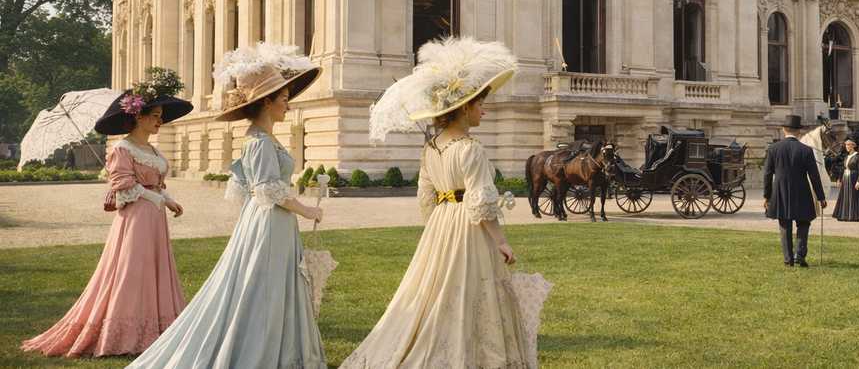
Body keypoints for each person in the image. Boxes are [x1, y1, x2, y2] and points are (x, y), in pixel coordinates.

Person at [342, 36, 545, 368]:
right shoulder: (470, 148)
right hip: (467, 225)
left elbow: (426, 197)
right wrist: (502, 241)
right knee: (471, 289)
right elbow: (481, 204)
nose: (485, 108)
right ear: (464, 107)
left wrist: (438, 228)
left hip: (441, 223)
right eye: (481, 102)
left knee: (435, 291)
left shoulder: (431, 148)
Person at [128, 44, 327, 369]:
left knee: (271, 286)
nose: (288, 107)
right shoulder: (259, 141)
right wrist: (307, 210)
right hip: (268, 223)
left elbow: (260, 186)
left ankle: (281, 349)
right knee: (262, 288)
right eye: (284, 99)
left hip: (271, 223)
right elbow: (266, 190)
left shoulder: (264, 139)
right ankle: (258, 352)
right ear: (267, 101)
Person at [22, 69, 191, 358]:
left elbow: (155, 183)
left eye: (161, 116)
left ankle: (158, 327)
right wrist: (157, 199)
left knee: (154, 270)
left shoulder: (151, 148)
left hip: (154, 218)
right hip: (135, 220)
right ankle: (124, 333)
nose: (160, 121)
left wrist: (169, 199)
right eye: (155, 116)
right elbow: (125, 189)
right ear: (138, 116)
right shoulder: (122, 149)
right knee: (132, 273)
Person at [763, 115, 827, 267]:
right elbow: (814, 176)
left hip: (780, 191)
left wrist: (767, 196)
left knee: (785, 225)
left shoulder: (773, 149)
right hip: (802, 191)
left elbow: (767, 174)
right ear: (799, 132)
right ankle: (800, 255)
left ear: (784, 130)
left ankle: (788, 259)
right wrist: (821, 197)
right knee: (803, 224)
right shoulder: (806, 150)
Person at [833, 136, 859, 221]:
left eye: (848, 145)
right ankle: (844, 215)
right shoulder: (846, 157)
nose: (847, 147)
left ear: (853, 145)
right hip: (846, 179)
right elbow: (843, 168)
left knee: (853, 197)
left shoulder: (858, 156)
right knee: (845, 197)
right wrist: (839, 179)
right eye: (846, 145)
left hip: (854, 179)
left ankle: (854, 216)